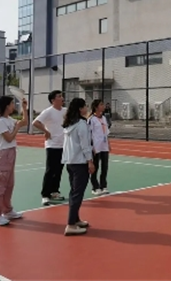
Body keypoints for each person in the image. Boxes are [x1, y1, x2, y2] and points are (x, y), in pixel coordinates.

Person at [0, 96, 29, 226]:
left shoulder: (9, 119)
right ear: (7, 105)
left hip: (11, 153)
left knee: (9, 184)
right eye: (12, 103)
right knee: (0, 185)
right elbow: (9, 138)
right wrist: (16, 128)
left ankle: (7, 210)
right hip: (3, 154)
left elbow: (25, 122)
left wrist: (24, 108)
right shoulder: (0, 122)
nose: (13, 106)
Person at [61, 97, 96, 236]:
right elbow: (85, 145)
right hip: (80, 162)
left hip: (70, 161)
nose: (87, 108)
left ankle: (75, 220)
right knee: (77, 193)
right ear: (80, 109)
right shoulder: (81, 124)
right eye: (85, 106)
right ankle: (70, 224)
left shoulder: (69, 123)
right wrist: (90, 161)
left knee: (74, 192)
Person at [32, 90, 67, 206]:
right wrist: (45, 131)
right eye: (59, 96)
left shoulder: (65, 111)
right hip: (52, 145)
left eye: (62, 96)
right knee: (50, 170)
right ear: (53, 100)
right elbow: (35, 122)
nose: (62, 98)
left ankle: (55, 191)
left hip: (63, 145)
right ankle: (45, 195)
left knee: (59, 170)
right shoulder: (48, 111)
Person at [88, 99, 111, 195]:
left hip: (104, 146)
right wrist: (92, 146)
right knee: (95, 167)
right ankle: (95, 187)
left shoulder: (104, 118)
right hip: (96, 147)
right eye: (101, 104)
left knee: (105, 167)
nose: (103, 106)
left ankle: (103, 185)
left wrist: (108, 143)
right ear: (96, 107)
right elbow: (89, 134)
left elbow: (106, 132)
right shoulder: (91, 119)